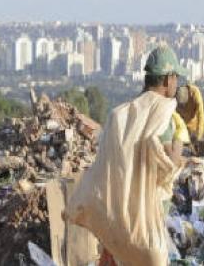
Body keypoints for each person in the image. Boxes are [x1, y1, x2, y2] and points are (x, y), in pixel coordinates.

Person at [64, 46, 187, 266]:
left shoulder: (120, 114)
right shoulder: (162, 114)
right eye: (176, 78)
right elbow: (171, 164)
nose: (177, 84)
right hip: (144, 225)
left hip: (114, 223)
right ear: (168, 80)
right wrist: (180, 134)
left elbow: (106, 166)